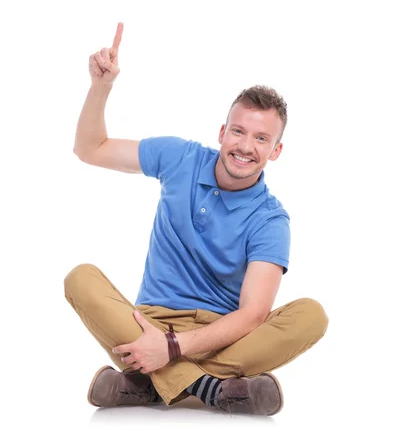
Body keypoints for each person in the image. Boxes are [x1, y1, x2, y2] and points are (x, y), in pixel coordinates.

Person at [65, 22, 329, 416]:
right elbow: (90, 149)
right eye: (238, 131)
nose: (245, 146)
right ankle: (210, 388)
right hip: (145, 324)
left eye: (261, 138)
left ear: (275, 151)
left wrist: (170, 350)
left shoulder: (271, 220)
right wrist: (100, 86)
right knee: (80, 278)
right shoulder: (179, 157)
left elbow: (253, 314)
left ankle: (149, 384)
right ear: (222, 132)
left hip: (218, 336)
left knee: (311, 315)